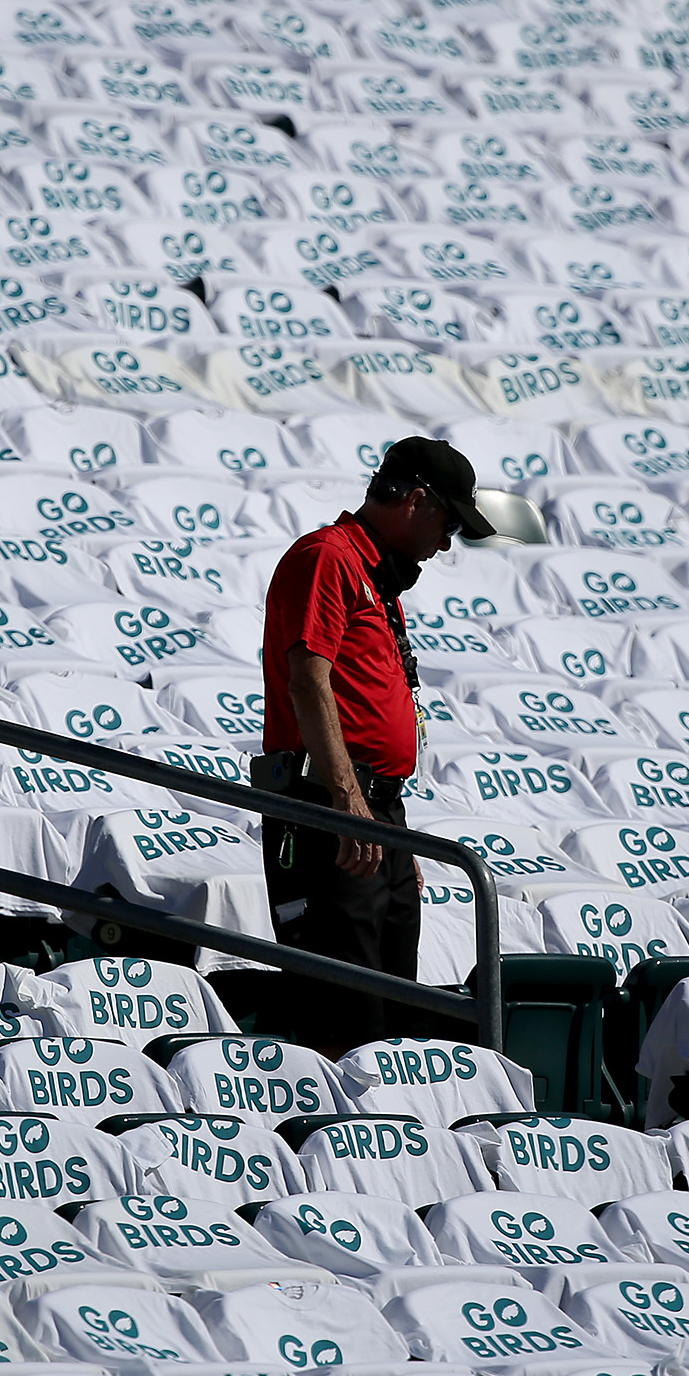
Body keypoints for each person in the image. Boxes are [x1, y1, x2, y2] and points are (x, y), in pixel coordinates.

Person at [254, 437, 494, 1054]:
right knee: (350, 1019)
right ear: (415, 500)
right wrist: (347, 802)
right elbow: (309, 678)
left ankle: (384, 1137)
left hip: (374, 810)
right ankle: (344, 1140)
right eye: (447, 522)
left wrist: (388, 827)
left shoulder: (371, 574)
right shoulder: (328, 557)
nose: (446, 543)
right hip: (331, 803)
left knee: (393, 1014)